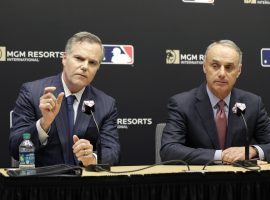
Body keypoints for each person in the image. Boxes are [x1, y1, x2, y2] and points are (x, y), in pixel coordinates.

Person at [10, 31, 120, 167]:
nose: (85, 66)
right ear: (64, 58)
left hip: (86, 184)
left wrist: (92, 158)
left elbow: (113, 152)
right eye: (79, 58)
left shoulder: (106, 104)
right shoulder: (32, 93)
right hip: (43, 183)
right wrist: (44, 124)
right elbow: (15, 149)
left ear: (98, 67)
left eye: (92, 62)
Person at [160, 40, 270, 165]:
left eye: (229, 67)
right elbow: (169, 150)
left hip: (241, 181)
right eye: (215, 66)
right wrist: (221, 156)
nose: (222, 73)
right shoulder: (182, 104)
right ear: (204, 67)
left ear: (238, 71)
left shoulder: (253, 103)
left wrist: (253, 150)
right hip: (198, 181)